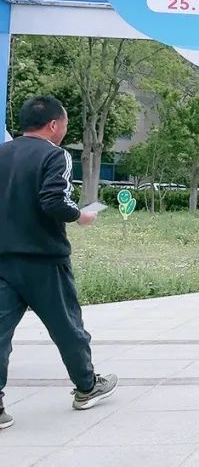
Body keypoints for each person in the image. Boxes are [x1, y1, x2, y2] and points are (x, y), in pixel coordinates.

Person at [0, 96, 118, 431]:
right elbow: (54, 199)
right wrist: (81, 215)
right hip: (44, 260)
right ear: (54, 125)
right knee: (67, 326)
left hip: (3, 259)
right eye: (65, 124)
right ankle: (86, 386)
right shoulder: (55, 155)